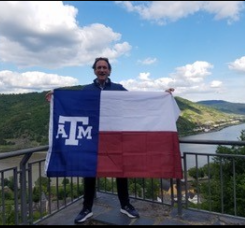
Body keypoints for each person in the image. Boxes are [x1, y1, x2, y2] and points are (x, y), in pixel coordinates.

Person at [46, 57, 174, 224]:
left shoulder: (118, 89)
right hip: (92, 139)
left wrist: (162, 96)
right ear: (94, 70)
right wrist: (57, 97)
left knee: (121, 171)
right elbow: (74, 106)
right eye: (99, 67)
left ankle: (125, 205)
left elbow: (136, 102)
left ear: (109, 71)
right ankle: (87, 208)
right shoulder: (86, 90)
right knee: (89, 173)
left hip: (114, 138)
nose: (102, 70)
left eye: (104, 67)